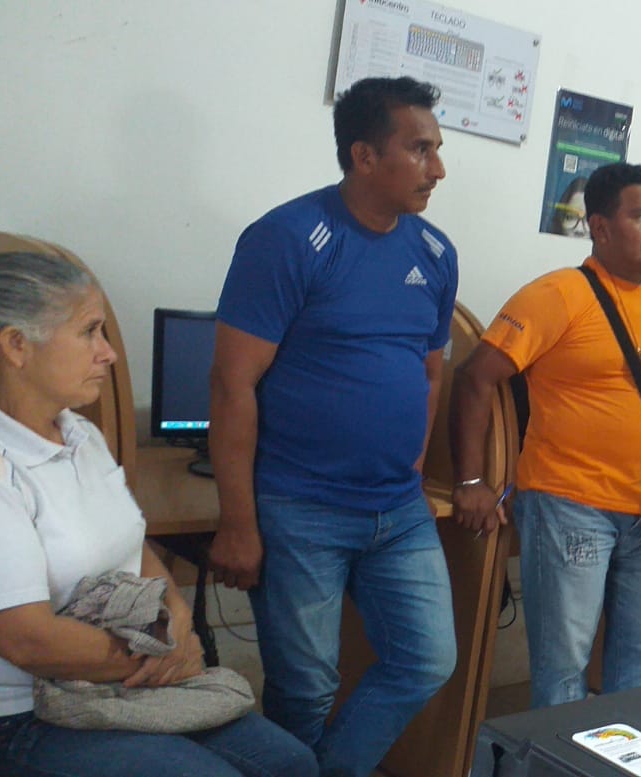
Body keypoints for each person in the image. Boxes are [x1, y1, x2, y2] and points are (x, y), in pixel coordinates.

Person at [207, 76, 458, 776]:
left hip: (398, 510)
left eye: (438, 149)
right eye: (420, 149)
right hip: (301, 506)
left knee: (426, 658)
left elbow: (429, 373)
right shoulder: (288, 238)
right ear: (364, 156)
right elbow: (231, 384)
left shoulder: (435, 253)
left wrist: (411, 463)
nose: (438, 168)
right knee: (306, 688)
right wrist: (238, 522)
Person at [0, 252, 317, 777]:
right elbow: (24, 638)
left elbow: (132, 544)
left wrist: (178, 618)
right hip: (25, 716)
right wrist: (158, 655)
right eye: (89, 332)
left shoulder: (81, 434)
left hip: (115, 679)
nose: (109, 352)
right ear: (16, 345)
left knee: (292, 763)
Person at [451, 162, 641, 708]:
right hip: (571, 506)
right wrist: (472, 480)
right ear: (599, 227)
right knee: (564, 667)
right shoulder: (557, 294)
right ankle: (560, 755)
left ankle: (622, 754)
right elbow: (475, 377)